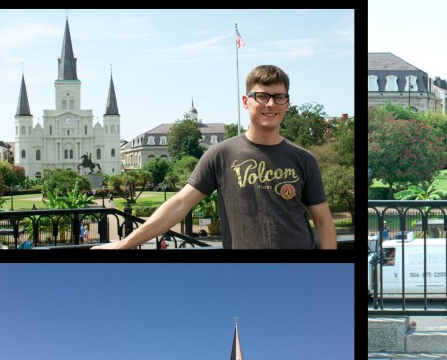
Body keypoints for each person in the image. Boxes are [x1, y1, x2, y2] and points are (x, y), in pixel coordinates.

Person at [92, 65, 337, 250]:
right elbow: (179, 205)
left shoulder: (304, 159)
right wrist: (124, 244)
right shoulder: (221, 154)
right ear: (246, 101)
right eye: (262, 96)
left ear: (287, 103)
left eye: (279, 97)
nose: (271, 104)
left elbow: (324, 223)